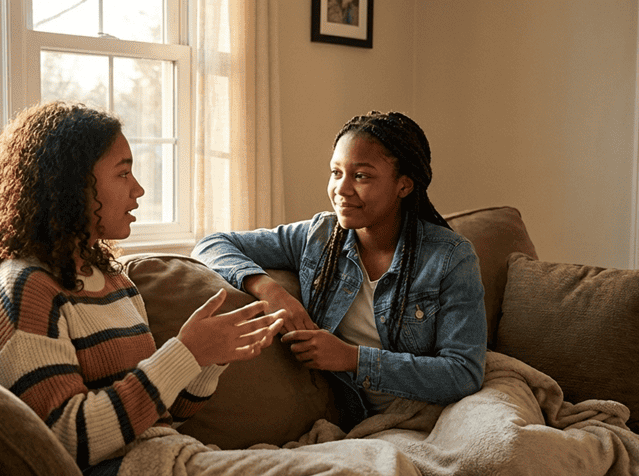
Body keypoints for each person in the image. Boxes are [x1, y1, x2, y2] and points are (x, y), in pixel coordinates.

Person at [0, 102, 435, 476]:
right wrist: (184, 354)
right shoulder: (21, 288)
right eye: (123, 173)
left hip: (173, 457)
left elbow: (164, 414)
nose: (139, 189)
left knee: (392, 468)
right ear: (70, 188)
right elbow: (67, 441)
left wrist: (208, 361)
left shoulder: (113, 282)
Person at [193, 111, 487, 431]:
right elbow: (212, 244)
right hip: (361, 420)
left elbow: (462, 375)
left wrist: (352, 359)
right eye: (336, 172)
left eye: (361, 176)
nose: (341, 189)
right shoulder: (319, 236)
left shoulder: (451, 258)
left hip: (436, 414)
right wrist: (270, 290)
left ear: (404, 185)